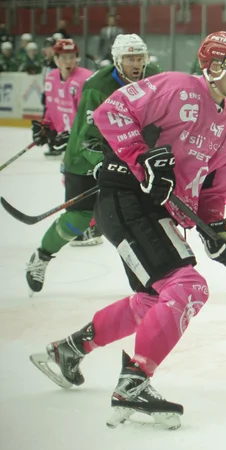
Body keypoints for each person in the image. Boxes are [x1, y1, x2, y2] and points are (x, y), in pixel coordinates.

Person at [29, 31, 226, 429]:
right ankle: (133, 384)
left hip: (159, 211)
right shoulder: (177, 87)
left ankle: (69, 350)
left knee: (153, 301)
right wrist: (142, 159)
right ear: (215, 65)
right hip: (127, 198)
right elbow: (112, 113)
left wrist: (217, 228)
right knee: (187, 287)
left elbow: (215, 189)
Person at [24, 34, 163, 293]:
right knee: (77, 219)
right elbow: (88, 139)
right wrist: (101, 163)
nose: (136, 63)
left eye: (139, 57)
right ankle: (42, 256)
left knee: (137, 217)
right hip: (84, 159)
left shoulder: (154, 75)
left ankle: (151, 277)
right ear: (116, 60)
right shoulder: (97, 86)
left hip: (127, 155)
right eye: (129, 58)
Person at [30, 39, 91, 162]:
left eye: (72, 57)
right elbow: (51, 106)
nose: (68, 62)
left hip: (87, 142)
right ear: (56, 59)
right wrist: (46, 127)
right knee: (68, 177)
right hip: (68, 140)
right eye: (64, 57)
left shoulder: (85, 79)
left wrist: (75, 135)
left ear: (77, 58)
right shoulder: (51, 77)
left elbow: (90, 114)